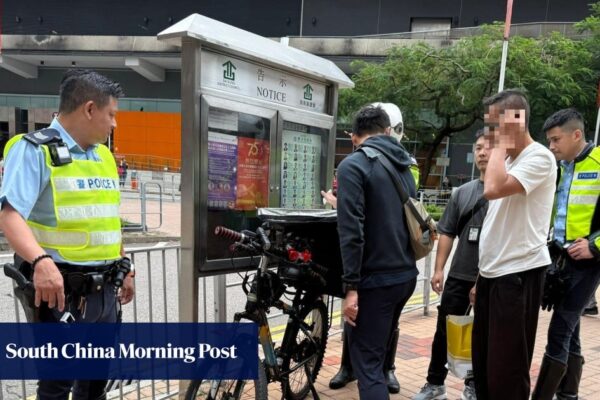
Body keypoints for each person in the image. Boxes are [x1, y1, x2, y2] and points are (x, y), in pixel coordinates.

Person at [0, 69, 135, 400]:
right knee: (58, 384)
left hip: (105, 290)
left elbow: (107, 217)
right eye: (111, 114)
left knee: (94, 382)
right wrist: (41, 262)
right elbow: (10, 214)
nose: (114, 124)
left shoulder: (102, 155)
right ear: (89, 109)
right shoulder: (34, 150)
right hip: (60, 290)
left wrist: (124, 263)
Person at [471, 89, 556, 400]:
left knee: (506, 370)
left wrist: (499, 146)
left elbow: (492, 188)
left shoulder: (540, 158)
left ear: (515, 121)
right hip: (494, 276)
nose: (489, 134)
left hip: (518, 275)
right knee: (482, 365)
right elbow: (497, 225)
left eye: (495, 125)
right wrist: (481, 277)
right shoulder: (507, 159)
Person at [325, 102, 416, 394]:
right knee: (375, 353)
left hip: (376, 281)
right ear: (387, 131)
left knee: (368, 366)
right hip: (405, 276)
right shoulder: (403, 167)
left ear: (354, 137)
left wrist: (350, 288)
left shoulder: (353, 165)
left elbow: (352, 232)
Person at [413, 130, 489, 400]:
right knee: (444, 331)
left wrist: (481, 281)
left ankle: (474, 385)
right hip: (459, 275)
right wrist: (438, 269)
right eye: (478, 147)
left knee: (481, 336)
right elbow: (447, 232)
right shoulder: (463, 193)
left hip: (491, 279)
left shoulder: (506, 193)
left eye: (488, 148)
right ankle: (435, 384)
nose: (482, 153)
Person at [531, 108, 600, 400]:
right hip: (560, 259)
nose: (551, 146)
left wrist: (595, 246)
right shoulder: (559, 166)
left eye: (556, 139)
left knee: (559, 330)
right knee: (569, 330)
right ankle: (568, 394)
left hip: (588, 263)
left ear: (576, 134)